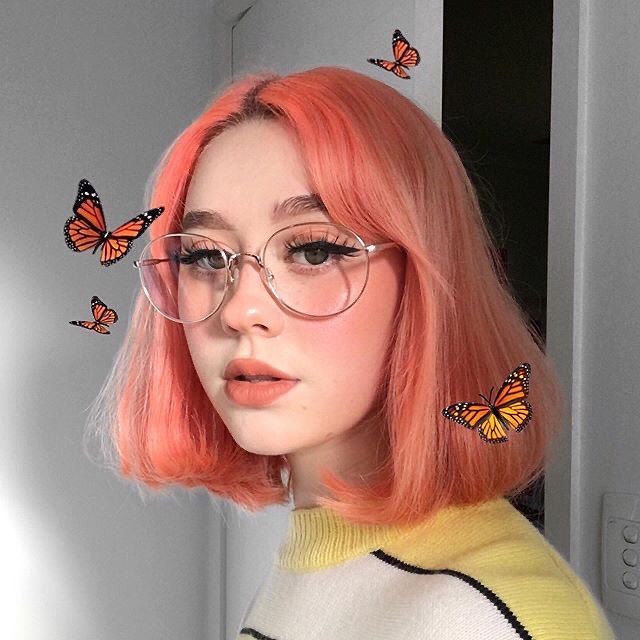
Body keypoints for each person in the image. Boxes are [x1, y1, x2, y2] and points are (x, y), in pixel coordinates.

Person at [87, 66, 616, 639]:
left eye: (314, 250)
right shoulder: (316, 561)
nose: (238, 310)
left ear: (423, 281)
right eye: (205, 258)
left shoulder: (483, 619)